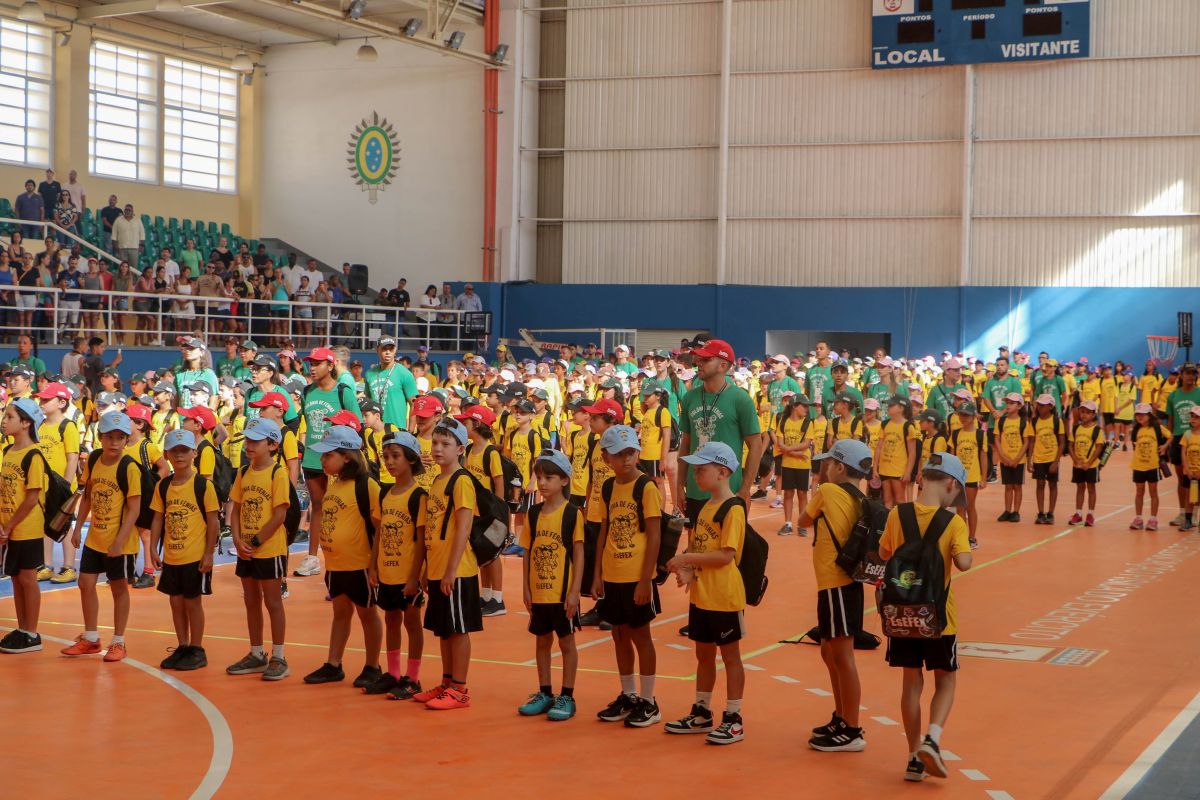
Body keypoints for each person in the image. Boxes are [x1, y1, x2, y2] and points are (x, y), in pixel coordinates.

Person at [879, 452, 973, 783]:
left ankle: (912, 757)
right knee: (945, 679)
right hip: (938, 616)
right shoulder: (953, 522)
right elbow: (964, 563)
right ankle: (932, 739)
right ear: (950, 484)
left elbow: (884, 552)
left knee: (911, 681)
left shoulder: (897, 514)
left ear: (922, 479)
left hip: (902, 614)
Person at [664, 441, 748, 744]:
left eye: (701, 470)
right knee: (703, 655)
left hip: (724, 596)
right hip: (702, 595)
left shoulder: (733, 508)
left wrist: (687, 559)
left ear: (722, 472)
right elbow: (700, 547)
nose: (695, 475)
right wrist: (688, 570)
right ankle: (701, 711)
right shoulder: (705, 508)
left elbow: (726, 555)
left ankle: (734, 718)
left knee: (731, 656)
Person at [796, 439, 873, 752]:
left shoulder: (827, 492)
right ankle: (841, 717)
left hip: (836, 584)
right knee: (829, 651)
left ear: (840, 467)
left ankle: (852, 729)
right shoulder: (860, 498)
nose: (824, 468)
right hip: (841, 585)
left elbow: (803, 521)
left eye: (828, 463)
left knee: (842, 656)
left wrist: (817, 490)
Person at [592, 424, 662, 728]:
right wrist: (597, 574)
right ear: (606, 458)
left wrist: (646, 579)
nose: (627, 459)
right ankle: (629, 694)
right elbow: (603, 531)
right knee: (619, 634)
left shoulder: (646, 487)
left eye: (631, 452)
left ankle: (649, 701)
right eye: (619, 454)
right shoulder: (608, 487)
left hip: (636, 575)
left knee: (640, 635)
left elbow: (655, 535)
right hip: (613, 574)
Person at [302, 425, 383, 686]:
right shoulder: (334, 484)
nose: (322, 460)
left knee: (367, 614)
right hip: (336, 565)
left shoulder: (367, 485)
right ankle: (333, 664)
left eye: (328, 455)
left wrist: (374, 566)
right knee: (340, 613)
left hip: (360, 564)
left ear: (347, 457)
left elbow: (380, 527)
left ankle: (373, 666)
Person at [411, 418, 484, 710]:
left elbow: (463, 527)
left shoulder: (461, 480)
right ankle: (446, 682)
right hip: (439, 567)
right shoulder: (437, 481)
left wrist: (451, 570)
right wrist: (430, 569)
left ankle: (460, 689)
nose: (438, 448)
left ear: (461, 449)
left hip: (458, 570)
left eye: (446, 444)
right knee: (444, 628)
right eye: (435, 443)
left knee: (458, 629)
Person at [60, 412, 144, 662]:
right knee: (85, 583)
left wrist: (119, 541)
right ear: (100, 437)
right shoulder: (95, 458)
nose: (114, 442)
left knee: (119, 588)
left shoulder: (129, 467)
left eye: (120, 437)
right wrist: (77, 528)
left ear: (126, 440)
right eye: (109, 437)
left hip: (120, 542)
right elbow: (87, 495)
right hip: (95, 537)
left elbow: (135, 509)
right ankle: (91, 638)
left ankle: (118, 641)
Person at [514, 449, 584, 721]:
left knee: (566, 642)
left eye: (549, 478)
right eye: (539, 477)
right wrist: (526, 587)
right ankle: (545, 693)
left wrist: (574, 591)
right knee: (542, 641)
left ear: (564, 480)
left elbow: (579, 554)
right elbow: (527, 552)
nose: (542, 483)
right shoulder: (533, 513)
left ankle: (568, 695)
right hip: (539, 591)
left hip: (562, 593)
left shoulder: (572, 514)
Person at [226, 419, 292, 681]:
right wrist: (237, 539)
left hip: (268, 549)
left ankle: (279, 656)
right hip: (246, 549)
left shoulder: (278, 473)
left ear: (272, 444)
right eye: (248, 440)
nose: (249, 445)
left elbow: (279, 515)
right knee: (250, 600)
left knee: (272, 601)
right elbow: (236, 509)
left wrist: (254, 541)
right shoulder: (244, 471)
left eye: (256, 440)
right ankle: (256, 653)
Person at [363, 431, 428, 699]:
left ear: (411, 459)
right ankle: (393, 673)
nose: (389, 462)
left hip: (408, 572)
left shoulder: (418, 495)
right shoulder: (385, 493)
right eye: (386, 456)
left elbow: (422, 540)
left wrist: (415, 576)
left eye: (396, 456)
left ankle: (413, 678)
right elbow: (379, 532)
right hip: (387, 570)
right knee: (391, 619)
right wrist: (373, 566)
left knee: (411, 622)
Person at [148, 429, 219, 671]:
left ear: (194, 453)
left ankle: (197, 649)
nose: (179, 455)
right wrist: (153, 547)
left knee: (192, 603)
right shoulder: (163, 486)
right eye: (174, 451)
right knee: (176, 602)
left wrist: (208, 553)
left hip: (194, 556)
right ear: (166, 454)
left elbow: (213, 521)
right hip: (172, 556)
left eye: (184, 450)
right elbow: (158, 518)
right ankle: (183, 646)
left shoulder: (203, 486)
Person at [0, 398, 49, 654]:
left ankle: (32, 632)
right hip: (9, 526)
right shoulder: (9, 451)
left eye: (10, 417)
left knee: (28, 578)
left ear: (26, 423)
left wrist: (9, 525)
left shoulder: (34, 455)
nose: (4, 421)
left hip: (27, 527)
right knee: (17, 578)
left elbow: (31, 498)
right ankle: (22, 628)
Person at [775, 393, 814, 536]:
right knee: (788, 493)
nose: (807, 409)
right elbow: (780, 444)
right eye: (804, 406)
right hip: (788, 464)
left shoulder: (808, 423)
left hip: (803, 465)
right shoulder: (783, 421)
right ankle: (788, 524)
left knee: (802, 494)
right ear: (794, 406)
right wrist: (796, 454)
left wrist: (788, 449)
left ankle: (802, 524)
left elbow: (806, 444)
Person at [949, 402, 986, 549]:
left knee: (970, 506)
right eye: (961, 414)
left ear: (973, 416)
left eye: (966, 415)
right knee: (959, 508)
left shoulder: (979, 434)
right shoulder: (956, 434)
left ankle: (972, 538)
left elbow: (983, 456)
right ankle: (961, 536)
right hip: (958, 476)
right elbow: (952, 456)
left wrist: (983, 477)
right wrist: (951, 475)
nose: (963, 418)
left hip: (972, 476)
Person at [1129, 403, 1169, 531]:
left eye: (1143, 414)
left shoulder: (1157, 427)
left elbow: (1171, 436)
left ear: (1149, 415)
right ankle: (1138, 518)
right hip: (1138, 465)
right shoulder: (1136, 429)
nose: (1140, 417)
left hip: (1153, 465)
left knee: (1153, 492)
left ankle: (1153, 519)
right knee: (1139, 492)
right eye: (1137, 414)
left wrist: (1164, 447)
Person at [993, 393, 1031, 523]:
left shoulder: (1024, 423)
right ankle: (1007, 510)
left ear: (1019, 406)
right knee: (1008, 486)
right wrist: (1003, 457)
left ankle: (1016, 511)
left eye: (1011, 403)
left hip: (1018, 460)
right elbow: (997, 439)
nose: (1008, 405)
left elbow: (1026, 442)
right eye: (1007, 403)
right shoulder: (1001, 421)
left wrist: (1016, 459)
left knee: (1017, 486)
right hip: (1005, 460)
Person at [1028, 394, 1065, 525]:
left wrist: (1056, 461)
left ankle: (1050, 513)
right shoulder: (1034, 421)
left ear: (1050, 407)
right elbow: (1032, 441)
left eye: (1043, 405)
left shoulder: (1057, 421)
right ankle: (1040, 512)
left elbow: (1062, 443)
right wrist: (1029, 460)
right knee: (1040, 484)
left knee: (1052, 484)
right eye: (1038, 404)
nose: (1040, 407)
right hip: (1038, 458)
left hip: (1052, 457)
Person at [875, 396, 917, 508]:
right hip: (884, 469)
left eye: (891, 405)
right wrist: (875, 468)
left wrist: (908, 472)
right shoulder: (884, 424)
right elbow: (878, 447)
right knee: (887, 501)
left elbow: (912, 452)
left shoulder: (908, 427)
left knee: (900, 500)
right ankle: (887, 519)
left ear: (901, 408)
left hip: (899, 470)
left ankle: (902, 520)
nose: (888, 407)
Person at [1069, 400, 1103, 527]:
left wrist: (1089, 463)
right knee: (1080, 488)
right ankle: (1078, 513)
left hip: (1091, 465)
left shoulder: (1097, 430)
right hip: (1078, 465)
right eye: (1082, 412)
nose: (1084, 415)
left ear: (1093, 414)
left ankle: (1090, 514)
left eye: (1088, 412)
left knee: (1091, 488)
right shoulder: (1076, 428)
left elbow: (1099, 448)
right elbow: (1070, 445)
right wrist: (1075, 460)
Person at [111, 204, 145, 271]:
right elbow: (114, 233)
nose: (127, 211)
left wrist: (142, 245)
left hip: (134, 248)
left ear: (132, 211)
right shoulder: (118, 220)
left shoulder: (138, 220)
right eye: (126, 210)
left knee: (133, 268)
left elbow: (142, 234)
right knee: (122, 268)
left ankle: (133, 278)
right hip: (122, 248)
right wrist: (114, 244)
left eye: (129, 210)